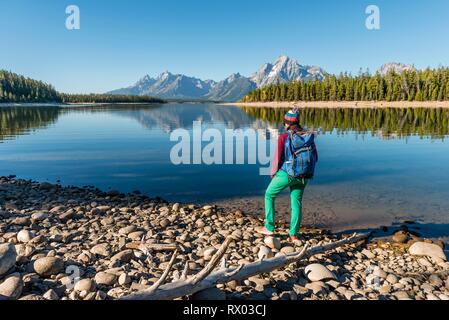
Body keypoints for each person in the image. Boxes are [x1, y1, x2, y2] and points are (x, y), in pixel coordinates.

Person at [256, 108, 318, 241]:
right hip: (304, 175)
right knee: (296, 202)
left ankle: (269, 227)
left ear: (288, 124)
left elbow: (278, 158)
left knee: (269, 194)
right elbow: (315, 157)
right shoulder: (307, 136)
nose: (284, 124)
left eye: (285, 122)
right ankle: (294, 234)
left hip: (288, 174)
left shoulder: (284, 137)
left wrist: (273, 173)